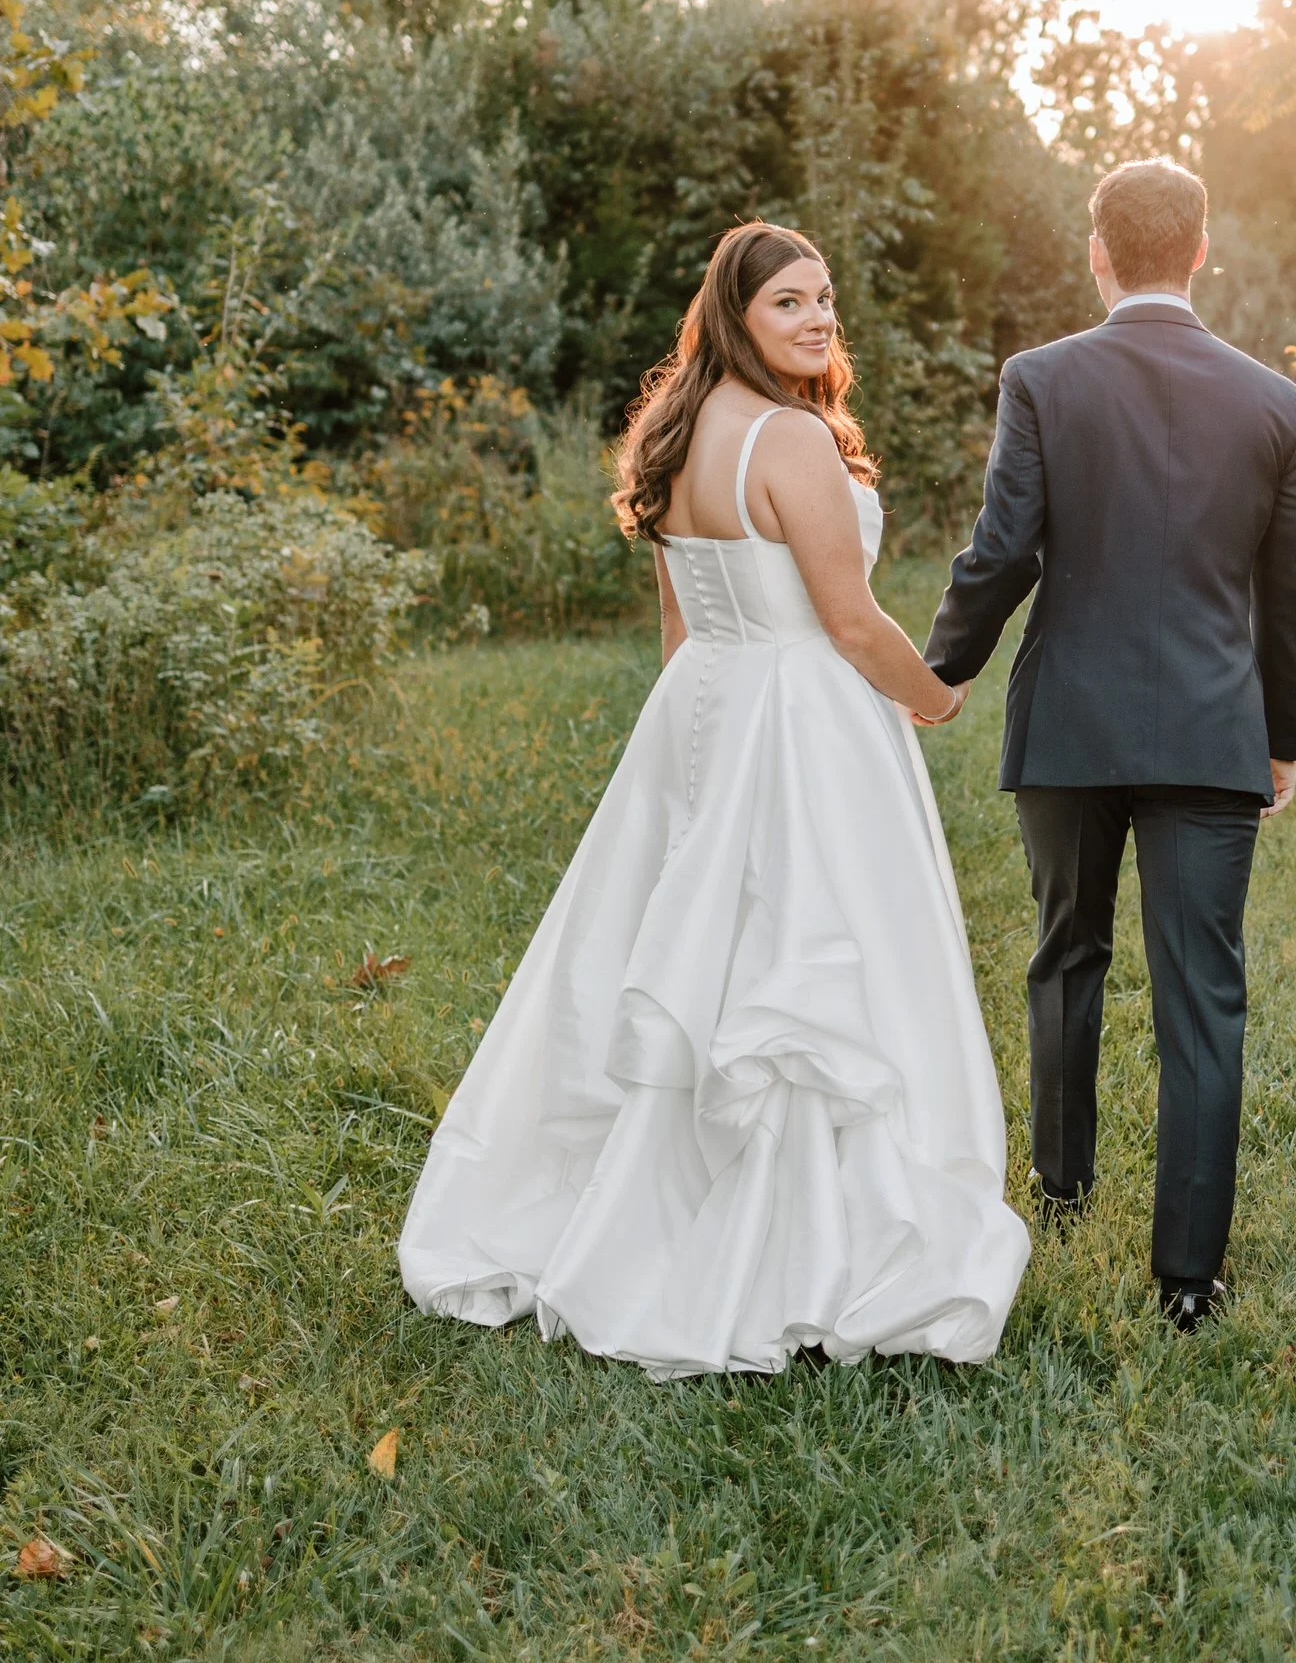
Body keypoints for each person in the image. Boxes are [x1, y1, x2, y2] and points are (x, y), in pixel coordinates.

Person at [399, 222, 1030, 1378]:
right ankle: (806, 1241)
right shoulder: (789, 438)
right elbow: (847, 620)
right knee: (801, 960)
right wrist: (934, 700)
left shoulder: (674, 432)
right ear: (738, 315)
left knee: (707, 953)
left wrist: (692, 754)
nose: (819, 319)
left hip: (708, 704)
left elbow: (681, 624)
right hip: (801, 713)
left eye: (826, 299)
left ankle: (664, 1199)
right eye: (790, 302)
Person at [923, 157, 1296, 1331]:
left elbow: (1003, 551)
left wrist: (938, 672)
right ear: (1201, 249)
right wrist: (1280, 737)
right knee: (1205, 995)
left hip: (1069, 725)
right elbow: (1294, 587)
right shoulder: (1272, 401)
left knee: (1064, 953)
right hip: (1212, 730)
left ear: (1098, 251)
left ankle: (1059, 1187)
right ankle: (1188, 1281)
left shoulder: (1041, 378)